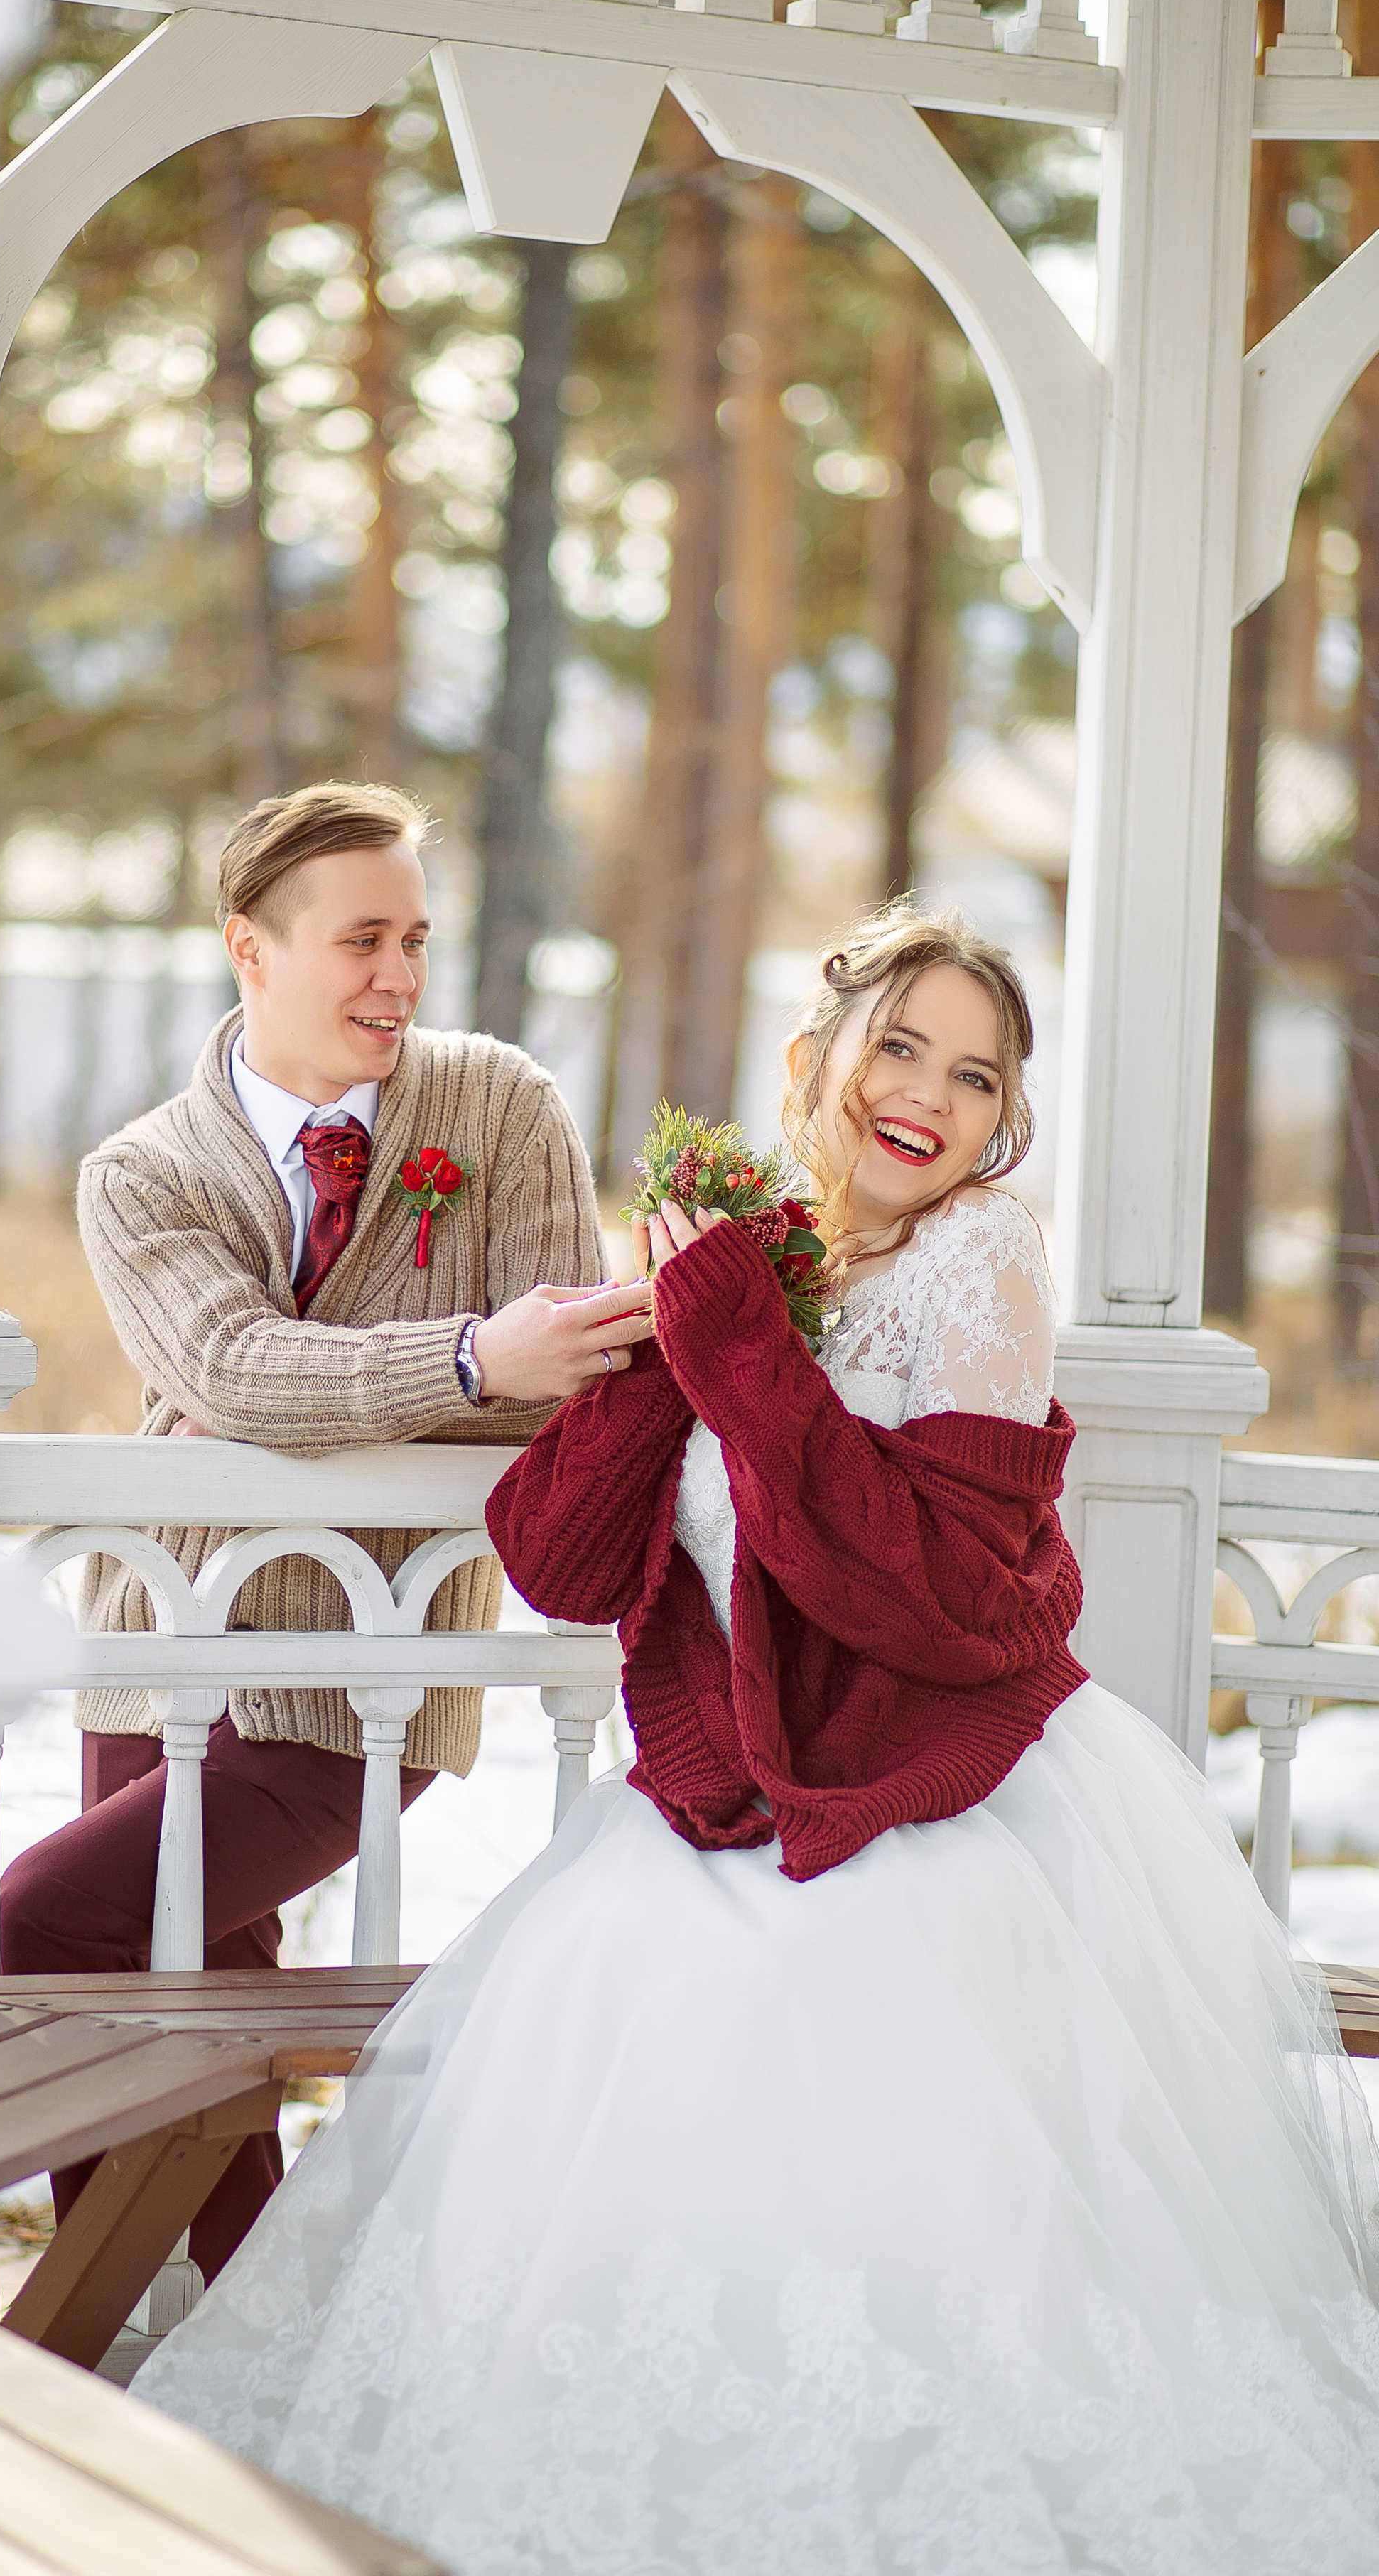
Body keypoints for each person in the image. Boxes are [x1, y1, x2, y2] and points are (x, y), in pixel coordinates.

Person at [129, 902, 1379, 2572]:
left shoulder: (981, 1260)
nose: (927, 1095)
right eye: (900, 1046)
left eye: (976, 1075)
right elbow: (561, 1561)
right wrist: (665, 1331)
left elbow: (925, 1590)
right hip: (731, 1787)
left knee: (799, 1995)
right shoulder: (746, 1248)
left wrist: (731, 1342)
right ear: (818, 1058)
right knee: (593, 1994)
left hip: (939, 1792)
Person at [0, 779, 647, 2278]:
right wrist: (468, 1356)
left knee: (39, 1926)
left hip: (367, 1674)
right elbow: (223, 1365)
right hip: (159, 1644)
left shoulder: (499, 1106)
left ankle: (155, 2348)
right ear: (250, 947)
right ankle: (230, 2367)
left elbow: (575, 1392)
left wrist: (335, 1398)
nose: (400, 978)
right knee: (166, 2024)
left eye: (415, 939)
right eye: (362, 941)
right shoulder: (142, 1174)